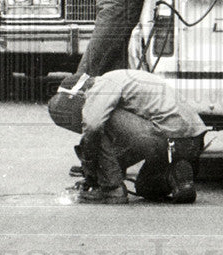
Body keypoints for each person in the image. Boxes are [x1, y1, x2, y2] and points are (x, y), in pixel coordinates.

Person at [48, 70, 206, 204]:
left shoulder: (102, 85)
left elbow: (93, 127)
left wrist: (92, 169)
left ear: (80, 93)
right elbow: (129, 143)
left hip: (165, 136)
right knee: (145, 188)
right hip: (191, 141)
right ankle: (175, 177)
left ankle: (112, 190)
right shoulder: (120, 77)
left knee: (98, 123)